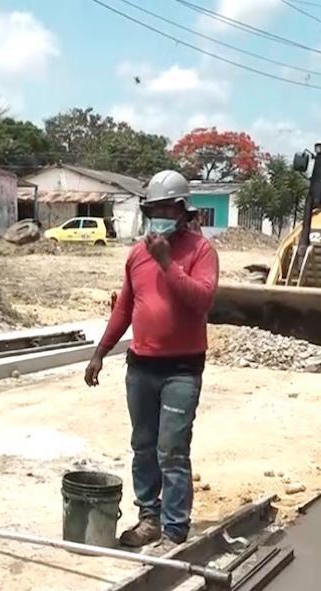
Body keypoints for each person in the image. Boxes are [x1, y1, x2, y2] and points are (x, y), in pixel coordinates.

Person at [83, 170, 219, 555]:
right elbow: (125, 307)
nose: (158, 215)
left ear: (181, 211)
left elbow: (201, 300)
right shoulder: (136, 254)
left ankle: (175, 528)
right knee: (143, 446)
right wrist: (99, 353)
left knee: (172, 449)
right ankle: (149, 517)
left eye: (165, 209)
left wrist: (167, 263)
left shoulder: (200, 252)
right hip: (141, 367)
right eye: (152, 209)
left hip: (182, 369)